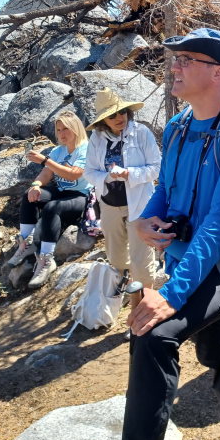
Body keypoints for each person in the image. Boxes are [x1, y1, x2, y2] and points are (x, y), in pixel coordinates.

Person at [126, 27, 220, 440]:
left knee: (153, 335)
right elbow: (166, 190)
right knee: (216, 349)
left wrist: (170, 296)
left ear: (219, 73)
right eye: (175, 58)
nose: (175, 66)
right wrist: (145, 220)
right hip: (187, 261)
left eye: (187, 60)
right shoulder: (179, 125)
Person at [84, 88, 161, 314]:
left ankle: (144, 307)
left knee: (142, 261)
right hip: (109, 204)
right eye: (113, 116)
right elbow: (89, 172)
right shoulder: (97, 139)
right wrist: (109, 175)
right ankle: (132, 287)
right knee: (117, 258)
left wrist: (129, 174)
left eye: (122, 113)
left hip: (140, 205)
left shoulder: (141, 133)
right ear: (103, 121)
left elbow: (156, 168)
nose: (119, 119)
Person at [7, 110, 91, 289]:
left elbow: (73, 174)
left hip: (81, 196)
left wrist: (45, 160)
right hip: (61, 192)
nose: (62, 134)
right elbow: (46, 174)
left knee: (52, 207)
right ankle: (26, 243)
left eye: (66, 129)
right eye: (59, 130)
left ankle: (46, 259)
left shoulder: (86, 148)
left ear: (76, 128)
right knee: (30, 195)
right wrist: (36, 184)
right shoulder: (57, 151)